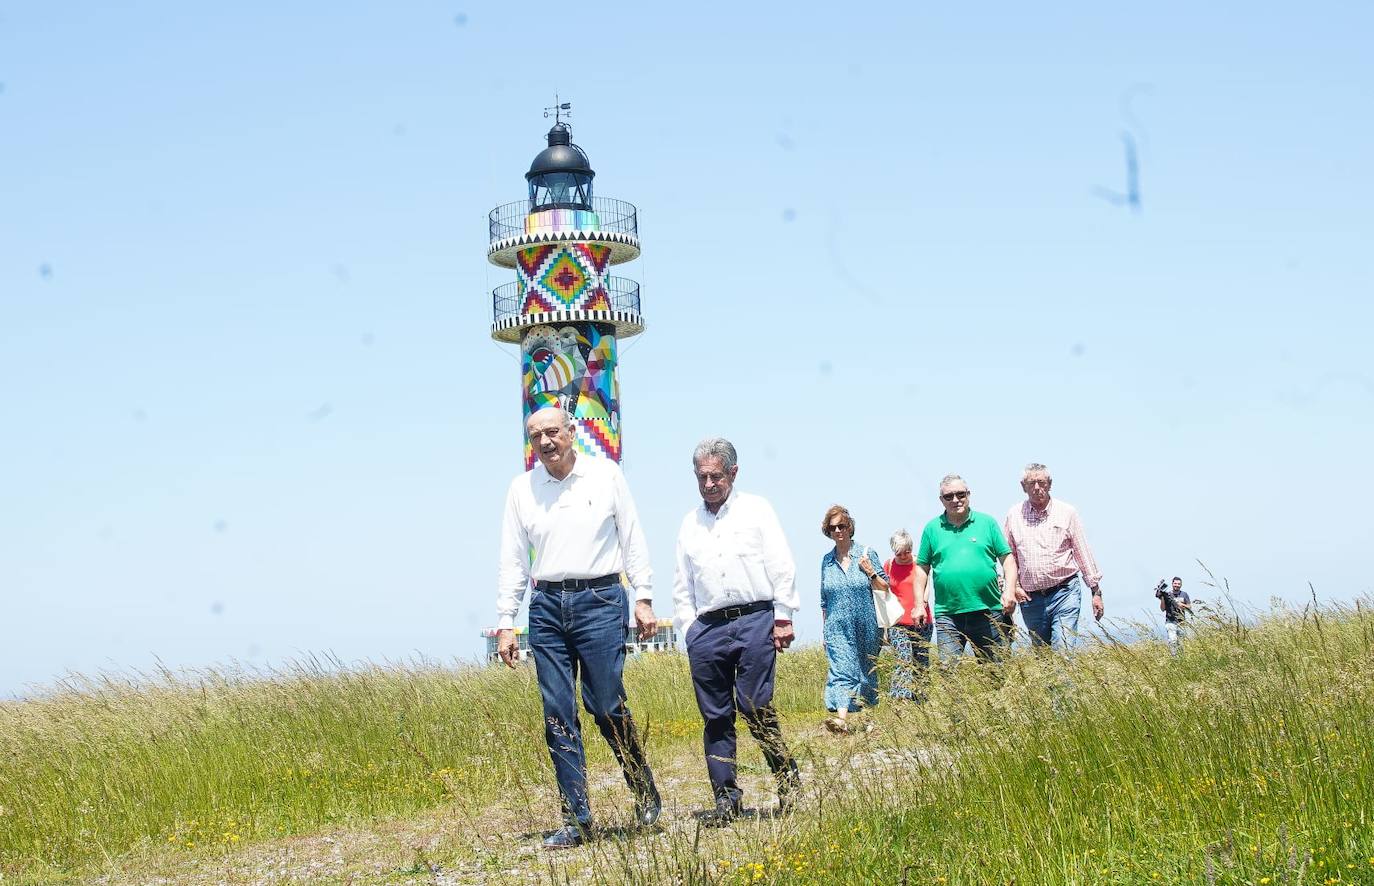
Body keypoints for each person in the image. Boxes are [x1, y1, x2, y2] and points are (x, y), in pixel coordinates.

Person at [495, 406, 661, 849]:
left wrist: (643, 598)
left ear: (572, 432)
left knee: (605, 704)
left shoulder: (606, 475)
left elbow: (632, 538)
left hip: (601, 599)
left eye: (553, 432)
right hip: (546, 604)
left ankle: (641, 785)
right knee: (557, 713)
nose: (545, 442)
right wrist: (506, 622)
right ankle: (577, 817)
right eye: (535, 436)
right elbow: (513, 558)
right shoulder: (521, 489)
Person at [672, 438, 802, 826]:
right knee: (716, 716)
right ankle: (727, 799)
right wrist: (688, 630)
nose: (709, 483)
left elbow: (781, 563)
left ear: (733, 473)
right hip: (707, 629)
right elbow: (682, 583)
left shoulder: (756, 510)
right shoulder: (689, 523)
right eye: (701, 477)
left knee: (755, 706)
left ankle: (786, 778)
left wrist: (783, 615)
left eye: (716, 476)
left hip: (755, 620)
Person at [913, 474, 1021, 665]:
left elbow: (1008, 560)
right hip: (948, 614)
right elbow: (922, 568)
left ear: (968, 495)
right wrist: (919, 604)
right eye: (949, 496)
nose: (955, 500)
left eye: (960, 494)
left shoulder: (987, 523)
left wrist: (1009, 591)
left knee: (996, 672)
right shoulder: (932, 529)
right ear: (941, 500)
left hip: (988, 611)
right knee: (949, 673)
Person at [1003, 463, 1105, 652]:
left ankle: (1065, 681)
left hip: (1065, 592)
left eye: (1041, 482)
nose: (1036, 488)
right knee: (1043, 656)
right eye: (1031, 483)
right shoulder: (1014, 515)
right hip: (1030, 598)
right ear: (1022, 486)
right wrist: (1014, 587)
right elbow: (1009, 557)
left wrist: (1096, 592)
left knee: (1063, 651)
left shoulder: (1067, 512)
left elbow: (1082, 551)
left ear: (1049, 484)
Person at [819, 504, 888, 734]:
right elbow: (824, 600)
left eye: (842, 526)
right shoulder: (826, 562)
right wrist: (825, 632)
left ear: (850, 528)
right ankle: (841, 719)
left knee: (867, 670)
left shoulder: (867, 554)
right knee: (841, 670)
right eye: (833, 527)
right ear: (828, 531)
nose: (838, 531)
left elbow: (884, 588)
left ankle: (869, 718)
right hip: (837, 626)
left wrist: (870, 571)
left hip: (867, 623)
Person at [884, 529, 934, 701]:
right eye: (899, 552)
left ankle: (921, 701)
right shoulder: (888, 565)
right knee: (903, 658)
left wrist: (924, 603)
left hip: (921, 620)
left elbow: (927, 586)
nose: (904, 555)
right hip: (897, 622)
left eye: (907, 551)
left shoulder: (921, 563)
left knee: (921, 662)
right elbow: (884, 594)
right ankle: (900, 700)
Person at [1160, 576, 1192, 651]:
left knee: (1182, 642)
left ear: (1181, 585)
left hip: (1182, 622)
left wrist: (1182, 605)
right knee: (1173, 641)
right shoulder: (1167, 595)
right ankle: (1174, 658)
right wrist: (1162, 598)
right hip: (1170, 621)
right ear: (1172, 584)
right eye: (1175, 583)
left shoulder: (1184, 594)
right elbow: (1162, 609)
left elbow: (1189, 606)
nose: (1177, 585)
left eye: (1178, 584)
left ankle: (1182, 659)